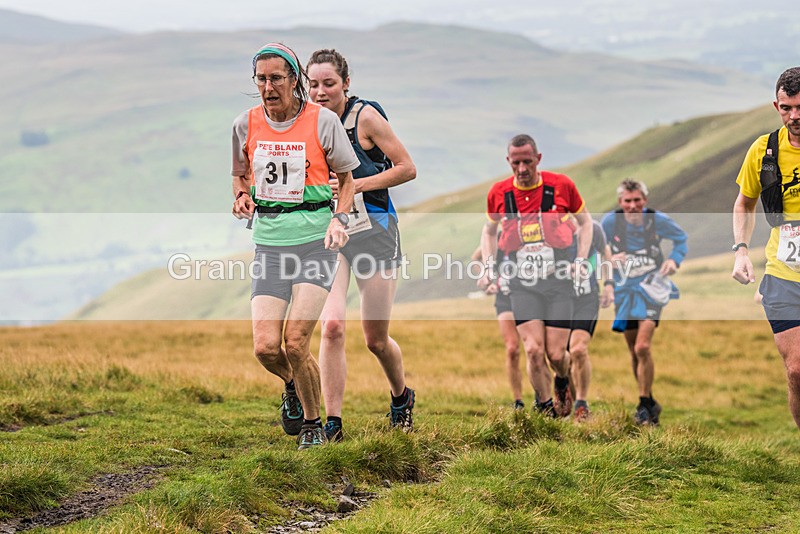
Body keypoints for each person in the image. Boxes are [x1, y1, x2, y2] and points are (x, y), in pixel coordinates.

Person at [231, 42, 358, 450]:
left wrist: (340, 218)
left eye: (277, 78)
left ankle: (313, 425)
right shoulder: (243, 124)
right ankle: (291, 383)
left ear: (294, 80)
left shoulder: (322, 122)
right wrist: (241, 197)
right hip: (270, 244)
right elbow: (239, 176)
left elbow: (347, 179)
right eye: (261, 79)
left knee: (296, 342)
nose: (269, 86)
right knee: (267, 348)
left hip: (316, 243)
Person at [306, 49, 417, 441]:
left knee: (375, 339)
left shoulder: (365, 118)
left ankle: (401, 397)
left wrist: (354, 186)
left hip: (376, 232)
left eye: (329, 84)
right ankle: (331, 425)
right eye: (313, 84)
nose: (320, 92)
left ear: (345, 83)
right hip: (331, 233)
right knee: (332, 326)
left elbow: (407, 167)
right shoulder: (307, 123)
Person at [479, 134, 593, 418]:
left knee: (556, 355)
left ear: (538, 159)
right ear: (508, 161)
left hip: (558, 282)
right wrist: (488, 267)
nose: (521, 169)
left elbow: (586, 222)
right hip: (522, 282)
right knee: (532, 350)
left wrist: (581, 260)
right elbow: (489, 230)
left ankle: (563, 380)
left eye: (527, 162)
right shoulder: (499, 193)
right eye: (515, 163)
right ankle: (544, 409)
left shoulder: (562, 186)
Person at [732, 66, 800, 429]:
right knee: (797, 370)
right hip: (784, 273)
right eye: (787, 108)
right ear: (777, 105)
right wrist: (741, 250)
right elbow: (744, 203)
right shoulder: (764, 150)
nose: (795, 116)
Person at [601, 179, 687, 426]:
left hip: (651, 289)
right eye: (627, 201)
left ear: (644, 200)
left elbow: (681, 239)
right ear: (620, 202)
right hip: (624, 291)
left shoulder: (656, 219)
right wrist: (609, 259)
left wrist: (674, 261)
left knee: (642, 347)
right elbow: (595, 250)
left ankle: (642, 404)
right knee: (633, 350)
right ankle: (649, 403)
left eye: (637, 200)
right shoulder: (610, 222)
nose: (632, 205)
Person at [568, 220, 615, 421]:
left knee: (578, 349)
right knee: (560, 356)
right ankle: (565, 398)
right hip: (556, 300)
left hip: (586, 298)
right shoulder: (549, 226)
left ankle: (581, 402)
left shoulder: (593, 228)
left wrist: (609, 285)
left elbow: (605, 253)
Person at [472, 244, 525, 409]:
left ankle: (542, 397)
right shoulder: (499, 237)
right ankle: (518, 401)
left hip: (530, 295)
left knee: (535, 349)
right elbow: (476, 258)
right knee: (512, 349)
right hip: (505, 297)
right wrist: (486, 281)